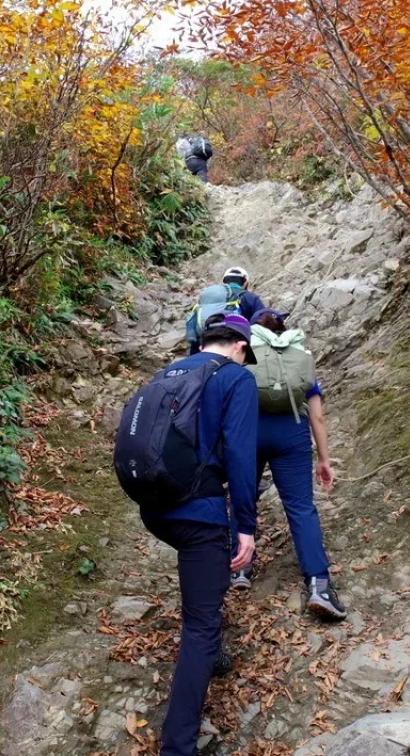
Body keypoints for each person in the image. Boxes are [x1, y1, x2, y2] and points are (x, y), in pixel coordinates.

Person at [138, 313, 259, 756]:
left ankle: (214, 654)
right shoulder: (236, 378)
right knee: (200, 623)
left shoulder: (169, 373)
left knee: (205, 587)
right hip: (199, 514)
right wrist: (245, 525)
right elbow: (242, 455)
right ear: (240, 346)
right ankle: (177, 746)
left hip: (156, 508)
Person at [234, 308, 346, 621]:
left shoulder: (245, 353)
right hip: (292, 432)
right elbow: (317, 416)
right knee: (301, 507)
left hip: (251, 431)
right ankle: (319, 585)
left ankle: (239, 568)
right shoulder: (298, 357)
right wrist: (323, 459)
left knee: (244, 497)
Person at [185, 266, 267, 356]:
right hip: (236, 351)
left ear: (224, 282)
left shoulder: (208, 299)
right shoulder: (250, 297)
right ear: (245, 283)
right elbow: (264, 321)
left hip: (205, 348)